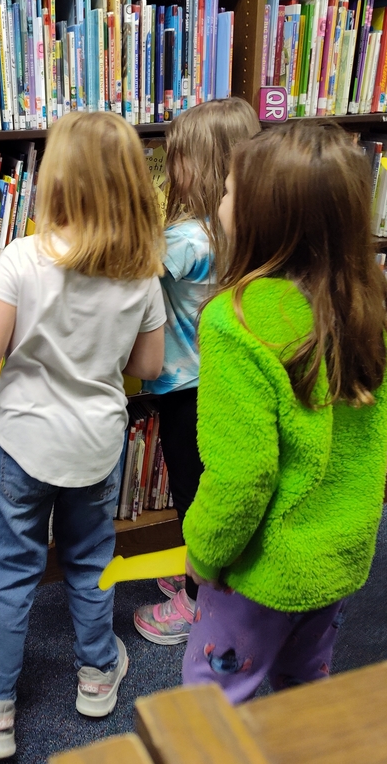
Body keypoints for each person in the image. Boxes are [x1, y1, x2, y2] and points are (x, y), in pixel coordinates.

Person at [0, 112, 166, 760]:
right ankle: (98, 674)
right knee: (91, 563)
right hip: (97, 447)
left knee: (12, 574)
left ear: (56, 179)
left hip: (26, 446)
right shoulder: (142, 270)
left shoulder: (23, 258)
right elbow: (149, 367)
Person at [181, 122, 387, 703]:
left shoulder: (235, 322)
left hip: (261, 568)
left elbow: (242, 474)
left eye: (228, 191)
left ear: (264, 215)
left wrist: (204, 553)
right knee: (305, 689)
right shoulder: (368, 298)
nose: (220, 200)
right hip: (339, 555)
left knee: (209, 702)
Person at [133, 98, 260, 647]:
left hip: (185, 391)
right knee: (211, 488)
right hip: (224, 382)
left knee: (192, 494)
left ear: (206, 165)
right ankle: (206, 573)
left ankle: (196, 599)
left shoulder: (186, 241)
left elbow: (129, 272)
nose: (170, 167)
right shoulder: (245, 230)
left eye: (177, 157)